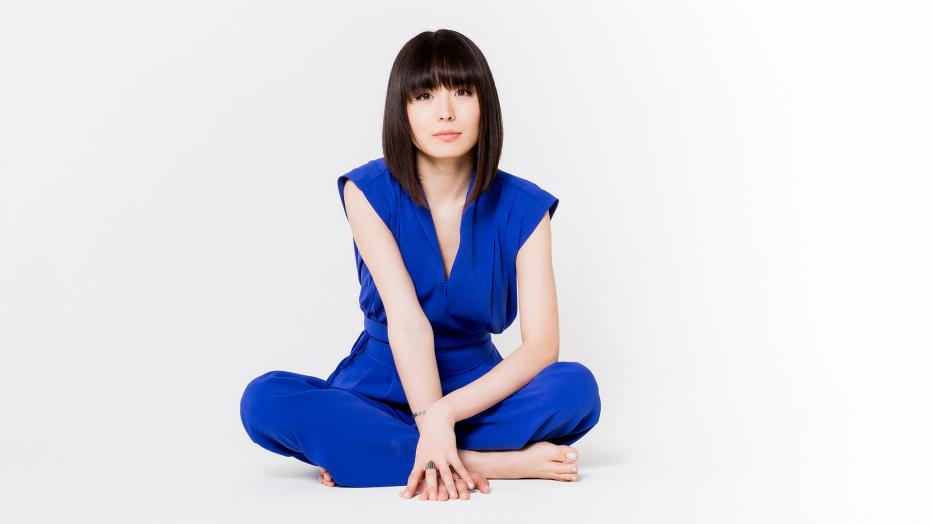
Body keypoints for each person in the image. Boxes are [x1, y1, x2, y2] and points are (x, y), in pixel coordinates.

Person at [239, 29, 601, 501]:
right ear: (402, 110)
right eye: (425, 96)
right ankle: (486, 461)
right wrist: (430, 424)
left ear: (485, 106)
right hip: (379, 386)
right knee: (264, 400)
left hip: (475, 392)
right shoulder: (368, 191)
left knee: (576, 389)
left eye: (462, 92)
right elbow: (407, 322)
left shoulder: (525, 207)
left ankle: (380, 453)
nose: (445, 112)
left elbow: (540, 349)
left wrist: (444, 416)